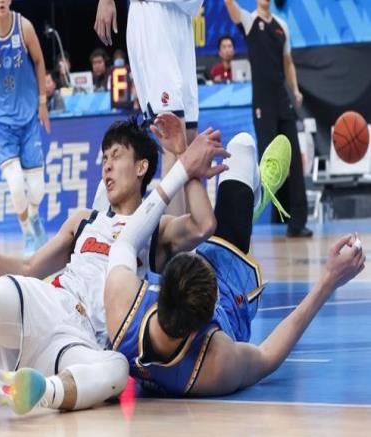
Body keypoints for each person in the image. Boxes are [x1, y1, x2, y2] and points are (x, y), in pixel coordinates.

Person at [0, 116, 227, 424]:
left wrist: (184, 157)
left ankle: (37, 390)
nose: (107, 166)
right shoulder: (84, 220)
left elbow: (203, 224)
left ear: (141, 167)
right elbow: (30, 267)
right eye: (104, 159)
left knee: (116, 369)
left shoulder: (157, 229)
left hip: (81, 339)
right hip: (49, 303)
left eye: (116, 156)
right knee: (0, 290)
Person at [104, 128, 365, 397]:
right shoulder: (216, 363)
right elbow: (266, 356)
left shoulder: (120, 303)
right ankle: (254, 201)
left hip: (181, 297)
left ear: (157, 287)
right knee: (242, 144)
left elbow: (124, 241)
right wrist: (328, 281)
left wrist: (185, 161)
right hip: (232, 290)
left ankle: (247, 207)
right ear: (200, 329)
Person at [95, 0, 202, 216]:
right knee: (173, 139)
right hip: (154, 17)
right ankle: (173, 234)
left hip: (182, 19)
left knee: (189, 140)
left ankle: (195, 232)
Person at [0, 0, 50, 255]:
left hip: (28, 117)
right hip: (1, 122)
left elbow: (39, 61)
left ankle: (34, 216)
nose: (1, 0)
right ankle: (28, 234)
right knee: (15, 184)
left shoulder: (24, 27)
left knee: (37, 189)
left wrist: (42, 102)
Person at [224, 0, 312, 238]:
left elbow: (288, 63)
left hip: (282, 99)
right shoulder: (250, 21)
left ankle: (298, 222)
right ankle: (250, 220)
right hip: (263, 102)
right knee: (266, 164)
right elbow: (231, 8)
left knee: (294, 160)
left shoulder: (282, 26)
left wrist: (295, 90)